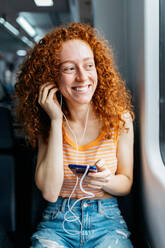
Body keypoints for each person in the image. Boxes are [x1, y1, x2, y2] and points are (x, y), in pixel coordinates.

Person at [15, 22, 134, 248]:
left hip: (107, 223)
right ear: (52, 77)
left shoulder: (121, 119)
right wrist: (56, 120)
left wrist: (107, 181)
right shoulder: (47, 123)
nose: (82, 77)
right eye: (69, 68)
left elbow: (126, 183)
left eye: (89, 65)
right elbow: (50, 192)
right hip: (56, 223)